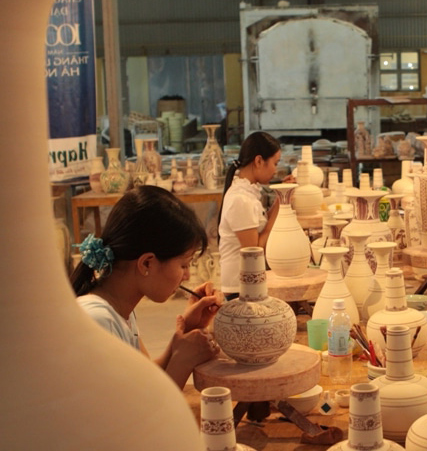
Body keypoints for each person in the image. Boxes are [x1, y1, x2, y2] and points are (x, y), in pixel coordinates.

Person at [71, 185, 222, 389]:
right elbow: (138, 414)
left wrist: (183, 337)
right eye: (184, 264)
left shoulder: (121, 311)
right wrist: (184, 360)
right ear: (147, 264)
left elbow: (146, 378)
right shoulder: (99, 321)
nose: (186, 276)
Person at [217, 131, 282, 300]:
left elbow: (259, 226)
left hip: (247, 282)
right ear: (259, 161)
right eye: (275, 163)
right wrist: (282, 200)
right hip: (239, 287)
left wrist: (283, 197)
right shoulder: (240, 200)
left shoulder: (247, 193)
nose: (276, 170)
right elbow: (255, 252)